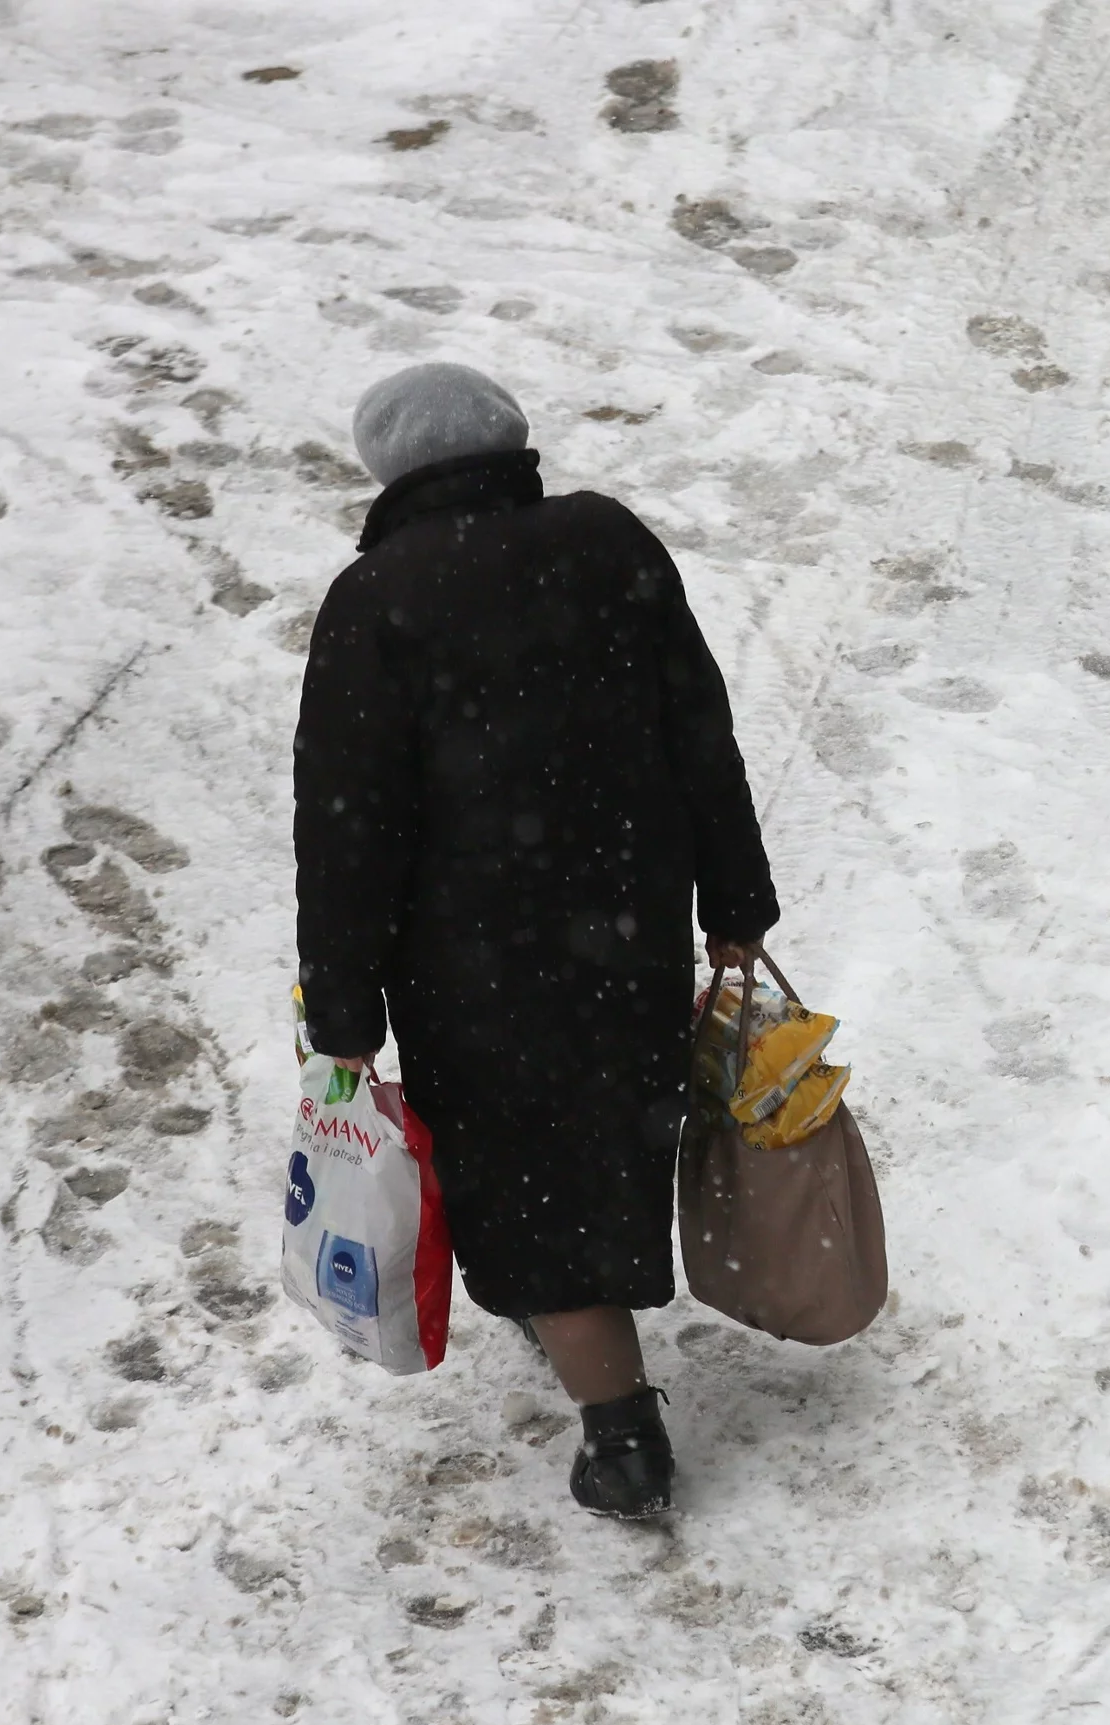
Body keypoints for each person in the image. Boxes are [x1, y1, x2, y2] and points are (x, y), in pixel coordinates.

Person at [294, 362, 777, 1518]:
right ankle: (579, 1305)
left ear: (390, 473)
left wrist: (345, 1011)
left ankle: (623, 1438)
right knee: (599, 1136)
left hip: (473, 959)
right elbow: (696, 724)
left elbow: (347, 830)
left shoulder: (376, 598)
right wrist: (736, 905)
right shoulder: (609, 542)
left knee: (526, 1183)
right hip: (629, 923)